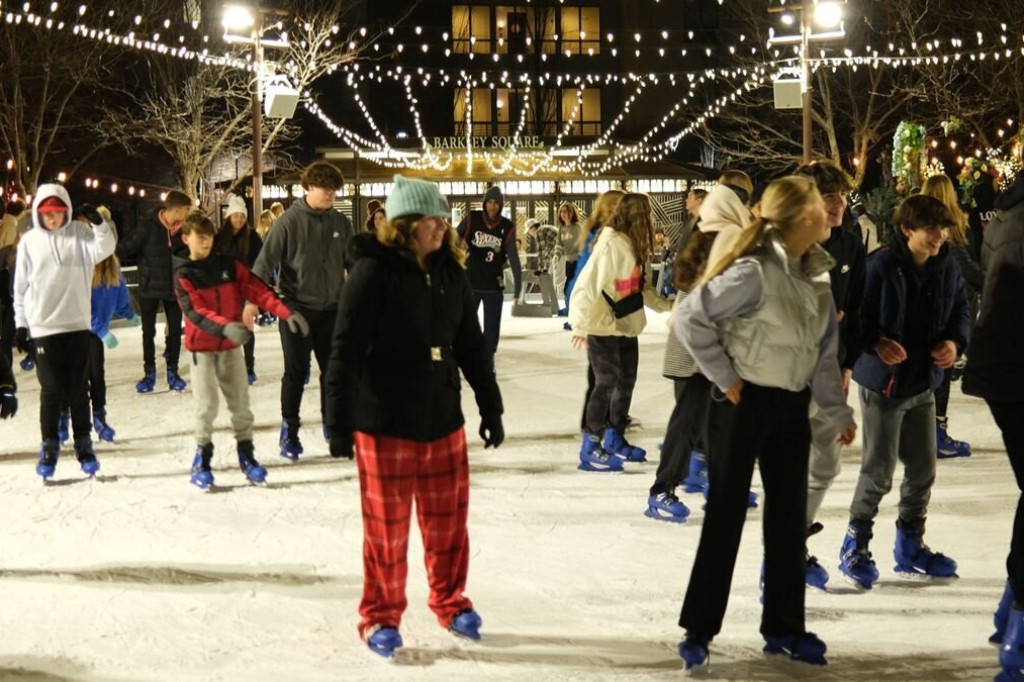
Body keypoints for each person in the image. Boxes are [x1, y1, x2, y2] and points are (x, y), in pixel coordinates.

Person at [674, 175, 856, 670]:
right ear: (801, 217)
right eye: (820, 205)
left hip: (791, 407)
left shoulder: (815, 275)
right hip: (741, 406)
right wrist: (726, 376)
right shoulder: (754, 270)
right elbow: (690, 315)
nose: (829, 211)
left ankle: (784, 628)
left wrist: (837, 410)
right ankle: (699, 628)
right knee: (726, 515)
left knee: (787, 520)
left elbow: (822, 356)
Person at [324, 175, 503, 660]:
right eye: (431, 219)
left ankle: (450, 601)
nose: (442, 226)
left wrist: (490, 404)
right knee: (387, 528)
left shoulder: (450, 273)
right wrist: (337, 420)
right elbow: (345, 349)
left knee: (448, 523)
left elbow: (470, 344)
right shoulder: (373, 273)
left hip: (442, 415)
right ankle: (380, 616)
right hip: (384, 420)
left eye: (444, 218)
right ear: (404, 225)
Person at [838, 194, 970, 590]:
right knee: (878, 472)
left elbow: (961, 310)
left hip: (922, 383)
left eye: (943, 229)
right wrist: (876, 342)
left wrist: (954, 343)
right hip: (884, 386)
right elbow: (856, 318)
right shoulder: (880, 266)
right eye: (931, 229)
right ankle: (854, 544)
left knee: (924, 470)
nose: (940, 237)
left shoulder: (946, 268)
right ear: (906, 229)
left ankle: (910, 545)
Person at [175, 211, 308, 490]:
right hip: (203, 350)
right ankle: (202, 459)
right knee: (206, 406)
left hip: (231, 348)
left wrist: (284, 311)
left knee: (241, 405)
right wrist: (226, 327)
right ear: (187, 239)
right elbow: (195, 312)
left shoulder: (228, 265)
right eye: (200, 237)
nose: (206, 242)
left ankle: (246, 456)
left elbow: (255, 288)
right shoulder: (184, 274)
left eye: (209, 236)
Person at [789, 160, 866, 590]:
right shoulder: (783, 248)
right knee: (789, 466)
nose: (838, 204)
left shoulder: (851, 248)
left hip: (830, 372)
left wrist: (847, 365)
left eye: (841, 195)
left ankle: (792, 539)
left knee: (826, 464)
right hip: (787, 377)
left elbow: (857, 311)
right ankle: (782, 557)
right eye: (828, 195)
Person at [247, 160, 355, 460]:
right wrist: (252, 300)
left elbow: (354, 264)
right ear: (309, 186)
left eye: (335, 191)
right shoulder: (288, 222)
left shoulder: (340, 223)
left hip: (332, 309)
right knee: (296, 372)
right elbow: (264, 263)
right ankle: (290, 430)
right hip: (295, 309)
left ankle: (332, 422)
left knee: (333, 372)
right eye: (326, 190)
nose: (332, 195)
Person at [961, 174, 1024, 678]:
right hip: (1015, 370)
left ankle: (1012, 612)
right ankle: (1019, 629)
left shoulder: (1009, 210)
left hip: (1004, 368)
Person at [14, 184, 116, 480]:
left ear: (66, 211)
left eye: (58, 213)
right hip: (44, 327)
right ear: (38, 214)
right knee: (51, 391)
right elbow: (20, 288)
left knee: (77, 391)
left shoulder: (80, 234)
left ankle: (84, 446)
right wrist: (22, 325)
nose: (53, 219)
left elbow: (105, 248)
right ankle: (49, 447)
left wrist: (98, 223)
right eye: (47, 214)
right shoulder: (30, 242)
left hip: (76, 326)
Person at [569, 193, 653, 471]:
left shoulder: (631, 245)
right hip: (602, 325)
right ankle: (591, 444)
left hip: (626, 324)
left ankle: (615, 436)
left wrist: (669, 304)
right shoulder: (611, 245)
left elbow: (637, 287)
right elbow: (586, 285)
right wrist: (579, 324)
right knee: (606, 381)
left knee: (626, 381)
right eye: (647, 215)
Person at [921, 174, 982, 458]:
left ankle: (927, 431)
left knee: (935, 370)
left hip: (935, 306)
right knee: (940, 371)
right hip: (951, 307)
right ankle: (935, 433)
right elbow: (966, 268)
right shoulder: (954, 230)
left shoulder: (922, 228)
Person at [117, 189, 193, 393]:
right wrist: (108, 258)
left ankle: (172, 371)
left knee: (175, 332)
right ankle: (149, 373)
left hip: (174, 289)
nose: (188, 213)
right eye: (187, 209)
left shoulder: (185, 231)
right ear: (176, 210)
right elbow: (125, 247)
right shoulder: (148, 227)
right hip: (149, 288)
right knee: (148, 333)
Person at [88, 206, 141, 442]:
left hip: (96, 334)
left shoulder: (112, 266)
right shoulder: (83, 266)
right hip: (78, 329)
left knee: (97, 376)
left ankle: (99, 417)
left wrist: (129, 314)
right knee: (76, 378)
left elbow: (119, 294)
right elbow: (79, 306)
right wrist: (101, 329)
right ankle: (62, 417)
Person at [456, 186, 522, 358]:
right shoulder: (472, 218)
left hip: (493, 283)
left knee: (492, 327)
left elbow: (513, 256)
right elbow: (454, 235)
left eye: (496, 203)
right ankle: (465, 355)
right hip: (471, 281)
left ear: (501, 205)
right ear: (485, 203)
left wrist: (518, 283)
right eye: (489, 202)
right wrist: (460, 242)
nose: (492, 206)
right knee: (466, 323)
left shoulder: (507, 227)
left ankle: (487, 358)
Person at [216, 194, 264, 385]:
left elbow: (260, 263)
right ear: (229, 217)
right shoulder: (220, 238)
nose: (238, 219)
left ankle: (249, 367)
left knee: (246, 328)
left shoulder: (252, 238)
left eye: (242, 216)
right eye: (235, 216)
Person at [556, 202, 581, 315]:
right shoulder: (562, 228)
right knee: (568, 287)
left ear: (571, 213)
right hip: (568, 261)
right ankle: (569, 308)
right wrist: (556, 255)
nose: (563, 214)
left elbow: (583, 243)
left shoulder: (577, 227)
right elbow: (559, 244)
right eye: (562, 211)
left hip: (578, 261)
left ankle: (571, 309)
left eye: (566, 211)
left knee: (571, 287)